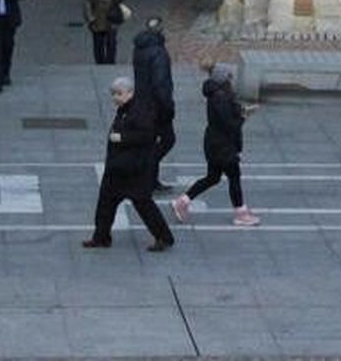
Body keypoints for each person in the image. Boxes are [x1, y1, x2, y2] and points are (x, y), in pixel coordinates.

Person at [82, 77, 176, 252]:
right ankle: (101, 237)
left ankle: (164, 237)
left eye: (119, 94)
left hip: (134, 170)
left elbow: (147, 136)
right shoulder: (126, 109)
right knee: (106, 203)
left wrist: (121, 138)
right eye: (114, 94)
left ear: (130, 93)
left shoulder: (140, 111)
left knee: (143, 204)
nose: (115, 98)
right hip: (119, 169)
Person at [172, 62, 260, 226]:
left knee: (212, 177)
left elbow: (226, 116)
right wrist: (243, 117)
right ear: (224, 79)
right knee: (234, 177)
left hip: (214, 143)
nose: (231, 80)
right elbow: (229, 124)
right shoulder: (221, 97)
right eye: (229, 77)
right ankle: (241, 213)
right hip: (223, 146)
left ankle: (182, 201)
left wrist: (241, 112)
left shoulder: (217, 95)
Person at [132, 17, 176, 193]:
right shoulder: (159, 53)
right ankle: (146, 176)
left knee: (152, 143)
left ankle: (150, 178)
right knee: (166, 140)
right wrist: (168, 107)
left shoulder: (140, 48)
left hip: (142, 102)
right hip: (156, 107)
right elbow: (161, 84)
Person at [83, 0, 125, 65]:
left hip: (112, 19)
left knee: (111, 43)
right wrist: (90, 18)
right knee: (98, 44)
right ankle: (100, 63)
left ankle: (111, 62)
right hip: (97, 20)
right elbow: (87, 4)